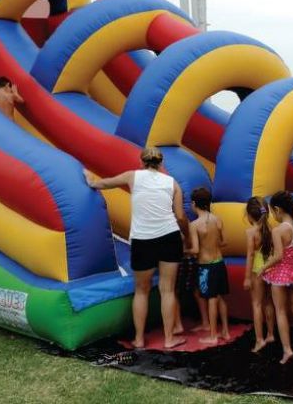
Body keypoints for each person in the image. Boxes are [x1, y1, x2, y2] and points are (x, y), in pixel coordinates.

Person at [83, 147, 188, 349]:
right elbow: (181, 216)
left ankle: (139, 338)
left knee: (141, 290)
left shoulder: (133, 176)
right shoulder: (172, 183)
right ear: (161, 163)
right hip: (169, 237)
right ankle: (169, 338)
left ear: (142, 162)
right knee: (167, 290)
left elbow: (101, 183)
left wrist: (89, 177)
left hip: (143, 239)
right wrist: (187, 235)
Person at [260, 190, 293, 364]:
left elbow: (278, 256)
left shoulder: (279, 230)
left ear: (277, 210)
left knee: (281, 311)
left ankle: (287, 350)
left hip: (280, 275)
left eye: (272, 212)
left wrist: (264, 267)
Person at [186, 187, 230, 345]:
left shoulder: (195, 225)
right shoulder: (218, 219)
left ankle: (213, 335)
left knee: (211, 299)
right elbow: (224, 242)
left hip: (206, 266)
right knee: (220, 298)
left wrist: (184, 250)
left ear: (194, 203)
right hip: (219, 262)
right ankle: (225, 331)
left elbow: (196, 250)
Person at [243, 196, 276, 353]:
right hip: (271, 269)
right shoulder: (271, 229)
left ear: (249, 215)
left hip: (257, 270)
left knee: (256, 304)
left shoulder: (251, 232)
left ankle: (259, 340)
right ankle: (270, 334)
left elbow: (250, 255)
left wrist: (247, 277)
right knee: (268, 301)